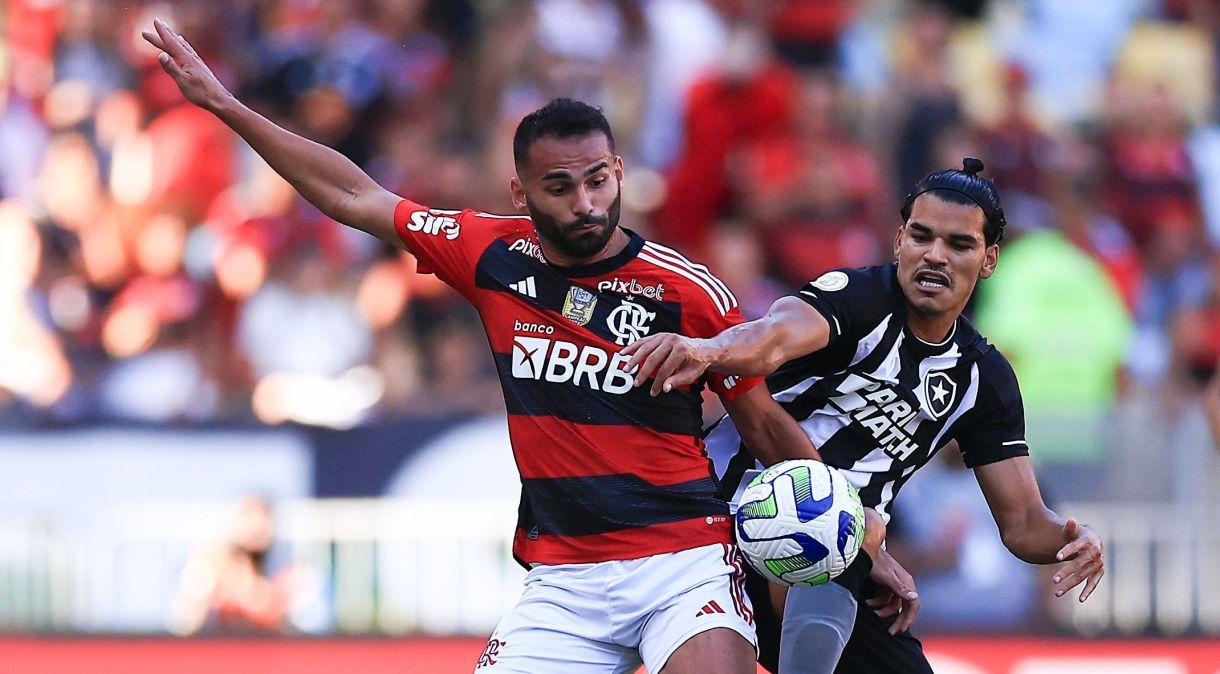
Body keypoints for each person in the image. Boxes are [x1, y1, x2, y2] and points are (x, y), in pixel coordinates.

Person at [141, 18, 889, 674]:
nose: (586, 203)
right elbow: (356, 196)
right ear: (522, 192)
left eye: (598, 180)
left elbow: (765, 430)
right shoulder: (490, 254)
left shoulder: (689, 291)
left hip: (683, 562)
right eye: (560, 187)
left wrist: (863, 545)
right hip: (562, 580)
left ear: (620, 172)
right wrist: (229, 108)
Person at [624, 158, 1106, 674]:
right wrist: (708, 350)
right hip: (728, 519)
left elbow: (1023, 522)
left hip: (845, 549)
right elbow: (770, 339)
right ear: (899, 240)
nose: (935, 256)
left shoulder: (984, 380)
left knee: (844, 531)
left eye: (959, 244)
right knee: (833, 516)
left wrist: (1070, 540)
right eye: (922, 237)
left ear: (988, 260)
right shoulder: (857, 299)